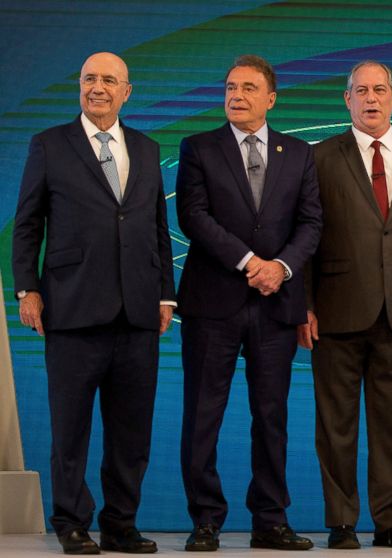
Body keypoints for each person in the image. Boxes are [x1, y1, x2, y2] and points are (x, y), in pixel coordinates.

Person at [11, 51, 174, 555]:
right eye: (88, 79)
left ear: (127, 91)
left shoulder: (146, 148)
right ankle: (71, 523)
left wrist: (165, 294)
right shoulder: (49, 144)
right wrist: (27, 289)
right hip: (71, 308)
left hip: (138, 313)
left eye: (108, 80)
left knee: (132, 431)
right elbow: (27, 223)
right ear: (79, 86)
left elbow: (157, 227)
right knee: (71, 428)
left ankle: (121, 524)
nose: (97, 87)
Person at [175, 54, 321, 552]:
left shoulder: (298, 153)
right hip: (212, 303)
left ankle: (270, 520)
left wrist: (280, 268)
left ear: (271, 98)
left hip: (276, 304)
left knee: (271, 416)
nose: (236, 95)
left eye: (248, 88)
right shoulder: (198, 147)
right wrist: (248, 262)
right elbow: (193, 216)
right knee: (202, 414)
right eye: (231, 87)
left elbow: (311, 224)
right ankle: (205, 520)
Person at [297, 60, 392, 550]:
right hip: (335, 311)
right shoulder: (318, 157)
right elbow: (306, 237)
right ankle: (341, 522)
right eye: (361, 91)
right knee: (335, 425)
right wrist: (304, 305)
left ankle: (390, 522)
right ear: (347, 100)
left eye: (379, 89)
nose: (371, 98)